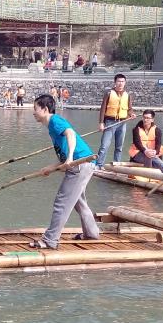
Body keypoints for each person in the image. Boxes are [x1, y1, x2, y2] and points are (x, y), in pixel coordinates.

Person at [28, 93, 100, 250]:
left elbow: (70, 133)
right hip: (83, 164)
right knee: (79, 202)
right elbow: (64, 154)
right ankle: (92, 233)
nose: (33, 112)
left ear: (45, 109)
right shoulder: (51, 127)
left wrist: (70, 158)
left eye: (35, 108)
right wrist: (51, 167)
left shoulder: (55, 121)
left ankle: (50, 240)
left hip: (80, 164)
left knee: (61, 202)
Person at [95, 73, 134, 167]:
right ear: (115, 82)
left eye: (122, 81)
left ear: (125, 83)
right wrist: (101, 123)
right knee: (104, 146)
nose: (120, 83)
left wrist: (131, 114)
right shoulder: (109, 93)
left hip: (122, 122)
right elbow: (103, 108)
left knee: (119, 147)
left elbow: (129, 108)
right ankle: (99, 165)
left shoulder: (127, 94)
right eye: (119, 81)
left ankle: (116, 165)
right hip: (110, 122)